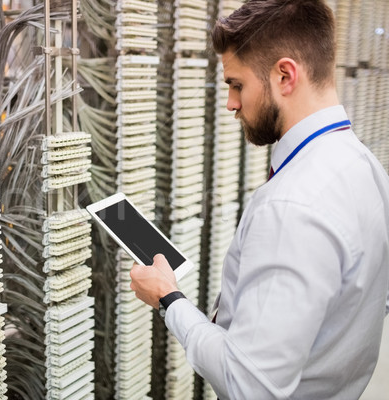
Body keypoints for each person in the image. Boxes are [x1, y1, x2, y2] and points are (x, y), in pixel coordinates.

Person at [129, 0, 389, 399]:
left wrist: (169, 299)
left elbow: (250, 386)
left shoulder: (292, 208)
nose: (231, 103)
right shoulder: (365, 166)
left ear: (285, 75)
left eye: (237, 85)